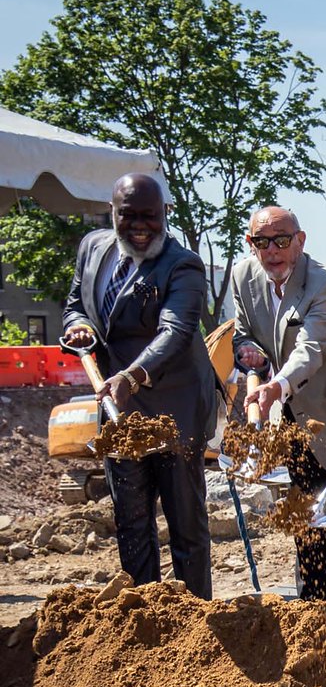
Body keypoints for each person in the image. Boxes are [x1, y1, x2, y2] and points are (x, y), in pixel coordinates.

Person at [60, 173, 213, 598]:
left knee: (185, 525)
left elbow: (176, 331)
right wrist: (80, 329)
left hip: (174, 409)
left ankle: (194, 622)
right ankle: (144, 617)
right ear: (113, 213)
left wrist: (132, 375)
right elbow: (76, 305)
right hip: (116, 411)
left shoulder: (182, 264)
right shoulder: (93, 248)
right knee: (130, 521)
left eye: (151, 216)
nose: (141, 226)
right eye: (129, 216)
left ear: (165, 214)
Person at [230, 206, 326, 600]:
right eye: (262, 242)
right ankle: (314, 615)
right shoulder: (243, 277)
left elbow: (312, 348)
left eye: (281, 240)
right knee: (307, 529)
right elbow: (244, 333)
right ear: (251, 244)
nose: (272, 250)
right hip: (289, 427)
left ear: (300, 241)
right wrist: (247, 353)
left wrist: (276, 386)